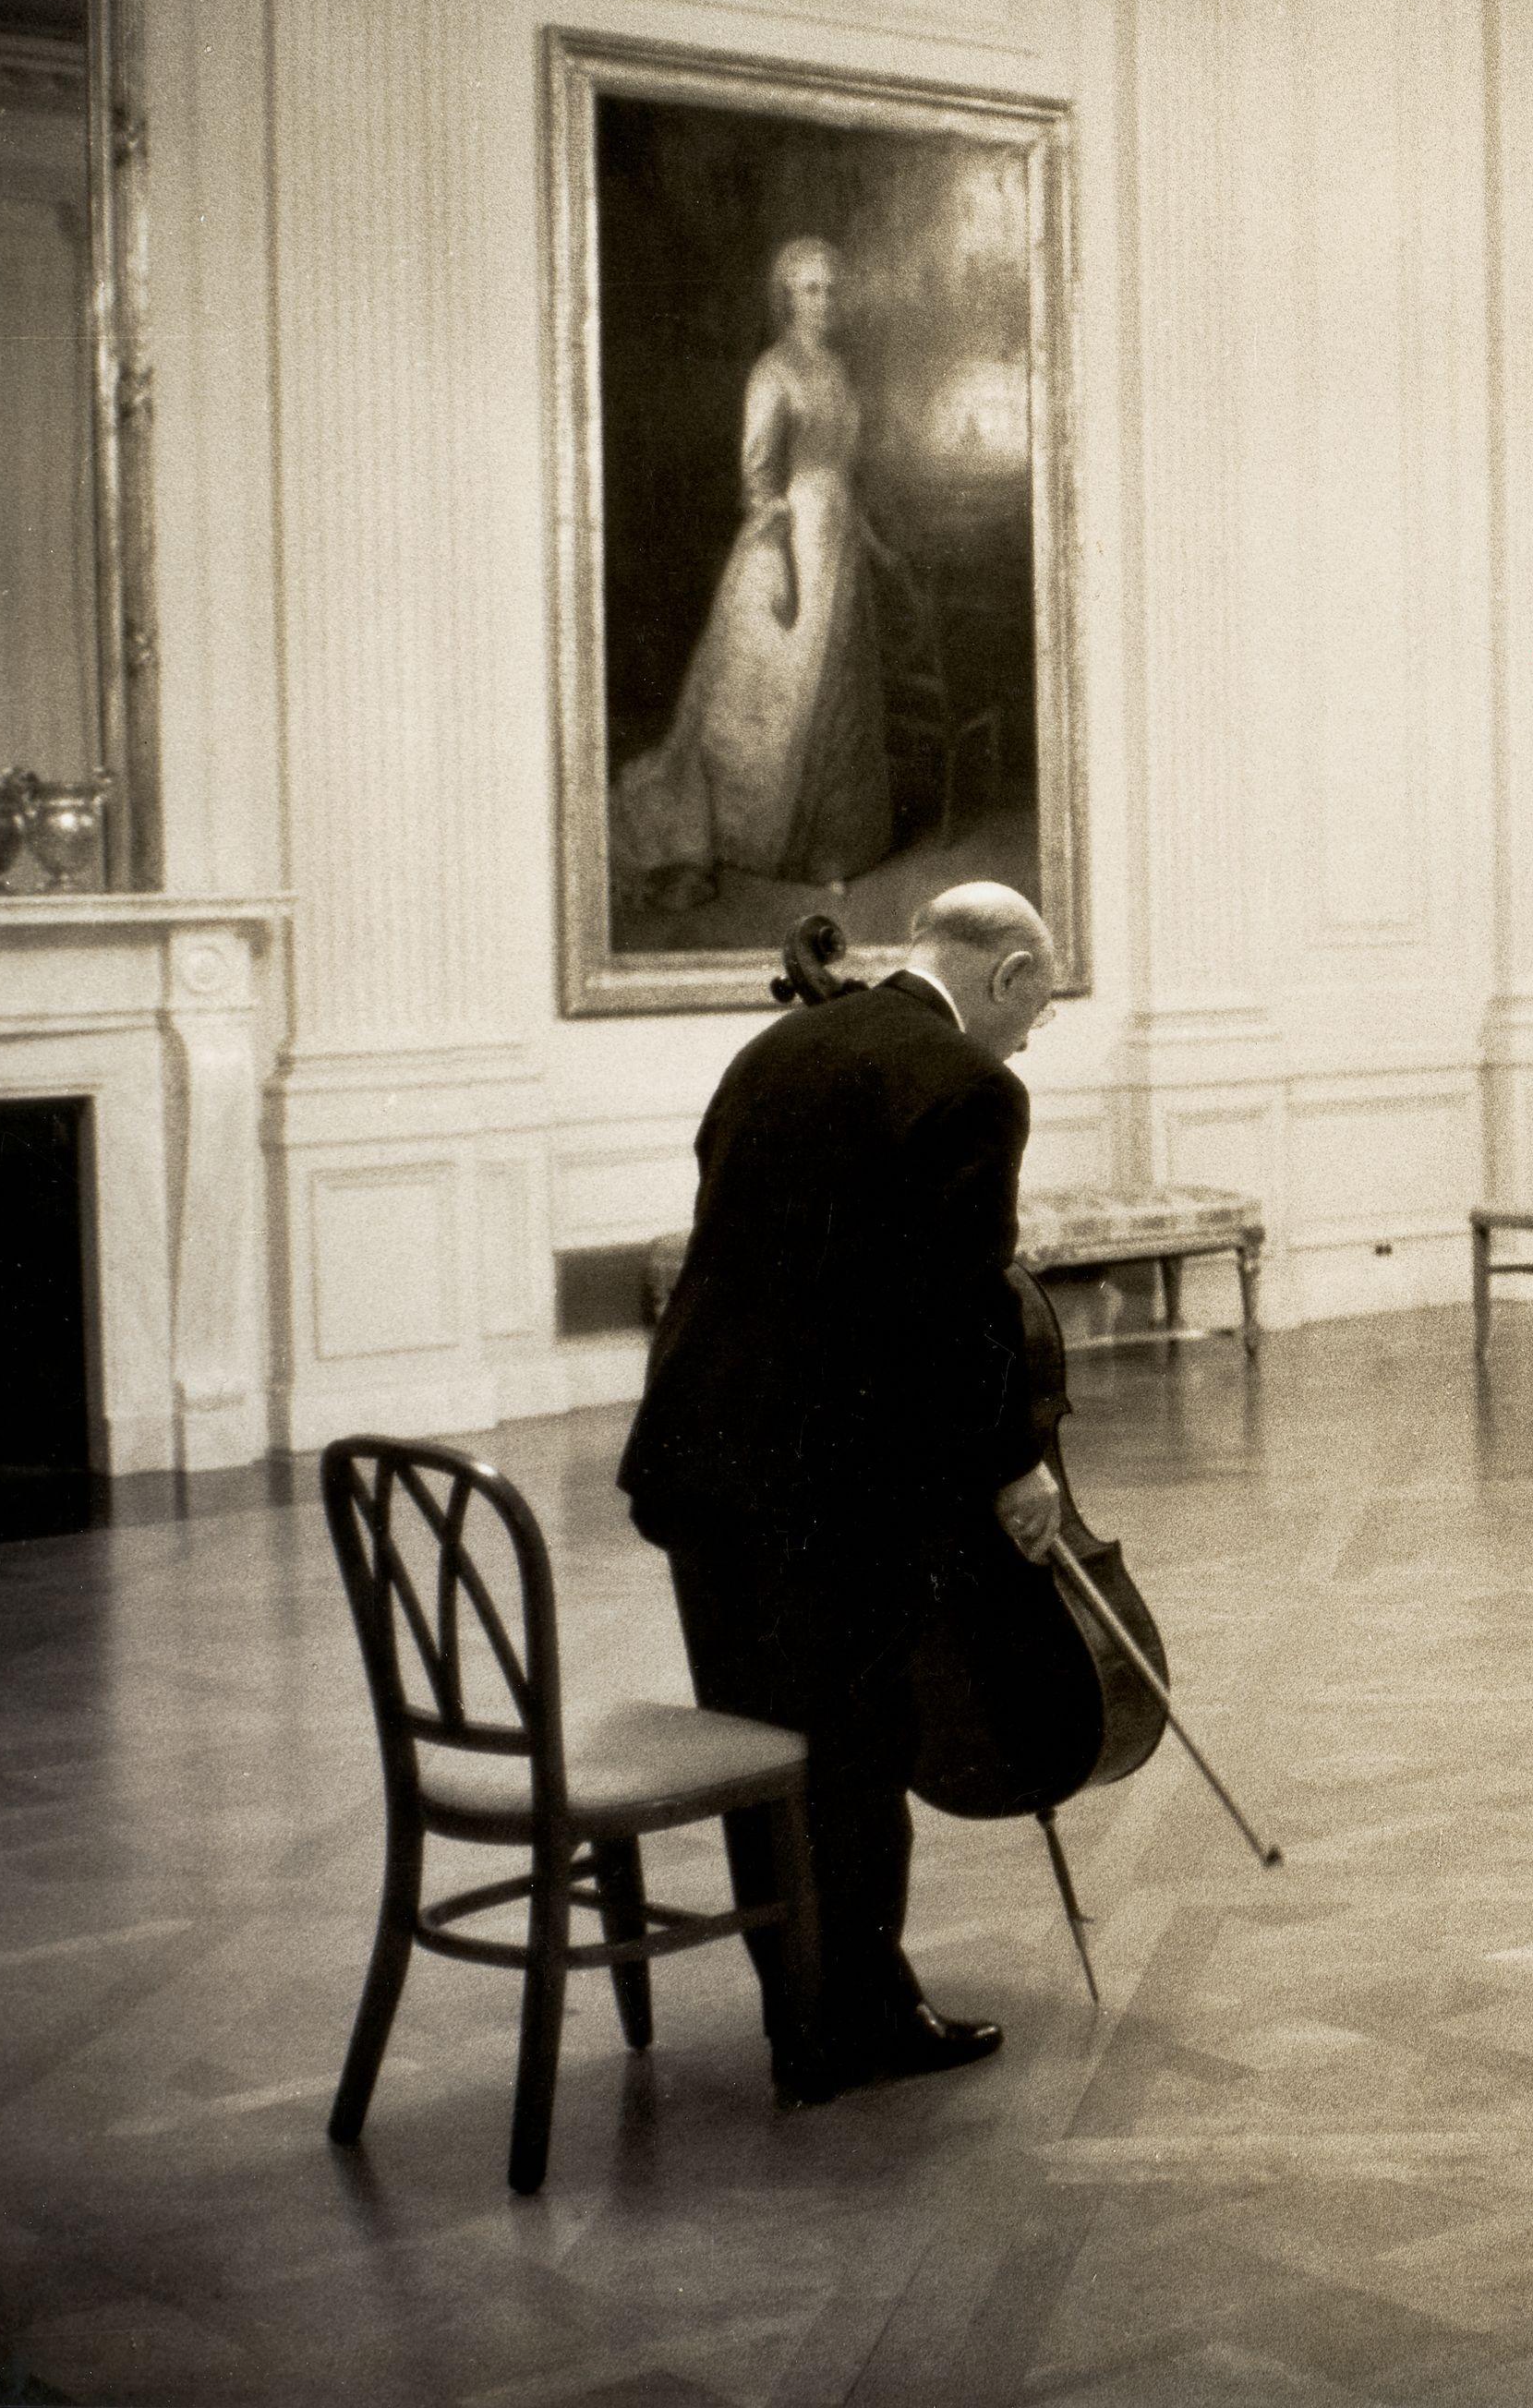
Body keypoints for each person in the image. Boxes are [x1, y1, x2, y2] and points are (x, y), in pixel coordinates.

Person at [621, 882, 1056, 2107]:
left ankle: (798, 2009)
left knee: (764, 1742)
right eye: (1038, 1007)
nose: (1032, 1035)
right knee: (858, 1749)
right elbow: (958, 1312)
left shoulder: (775, 1046)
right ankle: (854, 2022)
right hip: (833, 1481)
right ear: (1007, 975)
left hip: (701, 1459)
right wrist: (1010, 1466)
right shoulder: (971, 1087)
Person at [610, 236, 897, 908]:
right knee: (779, 700)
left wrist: (875, 543)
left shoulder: (841, 370)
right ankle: (770, 845)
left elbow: (846, 475)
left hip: (843, 549)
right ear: (787, 296)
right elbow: (760, 476)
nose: (822, 301)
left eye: (830, 288)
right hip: (792, 542)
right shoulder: (773, 371)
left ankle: (836, 848)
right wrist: (778, 564)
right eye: (808, 289)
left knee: (842, 701)